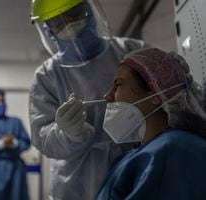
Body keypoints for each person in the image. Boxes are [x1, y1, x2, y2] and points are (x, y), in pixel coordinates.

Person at [29, 0, 147, 199]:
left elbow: (168, 101)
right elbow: (41, 137)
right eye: (58, 22)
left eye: (74, 14)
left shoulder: (131, 50)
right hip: (76, 182)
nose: (69, 25)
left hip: (135, 165)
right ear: (48, 30)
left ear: (89, 10)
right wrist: (68, 134)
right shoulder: (46, 76)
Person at [95, 48, 206, 199]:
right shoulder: (137, 154)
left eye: (118, 84)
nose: (107, 96)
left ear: (155, 95)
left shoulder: (171, 150)